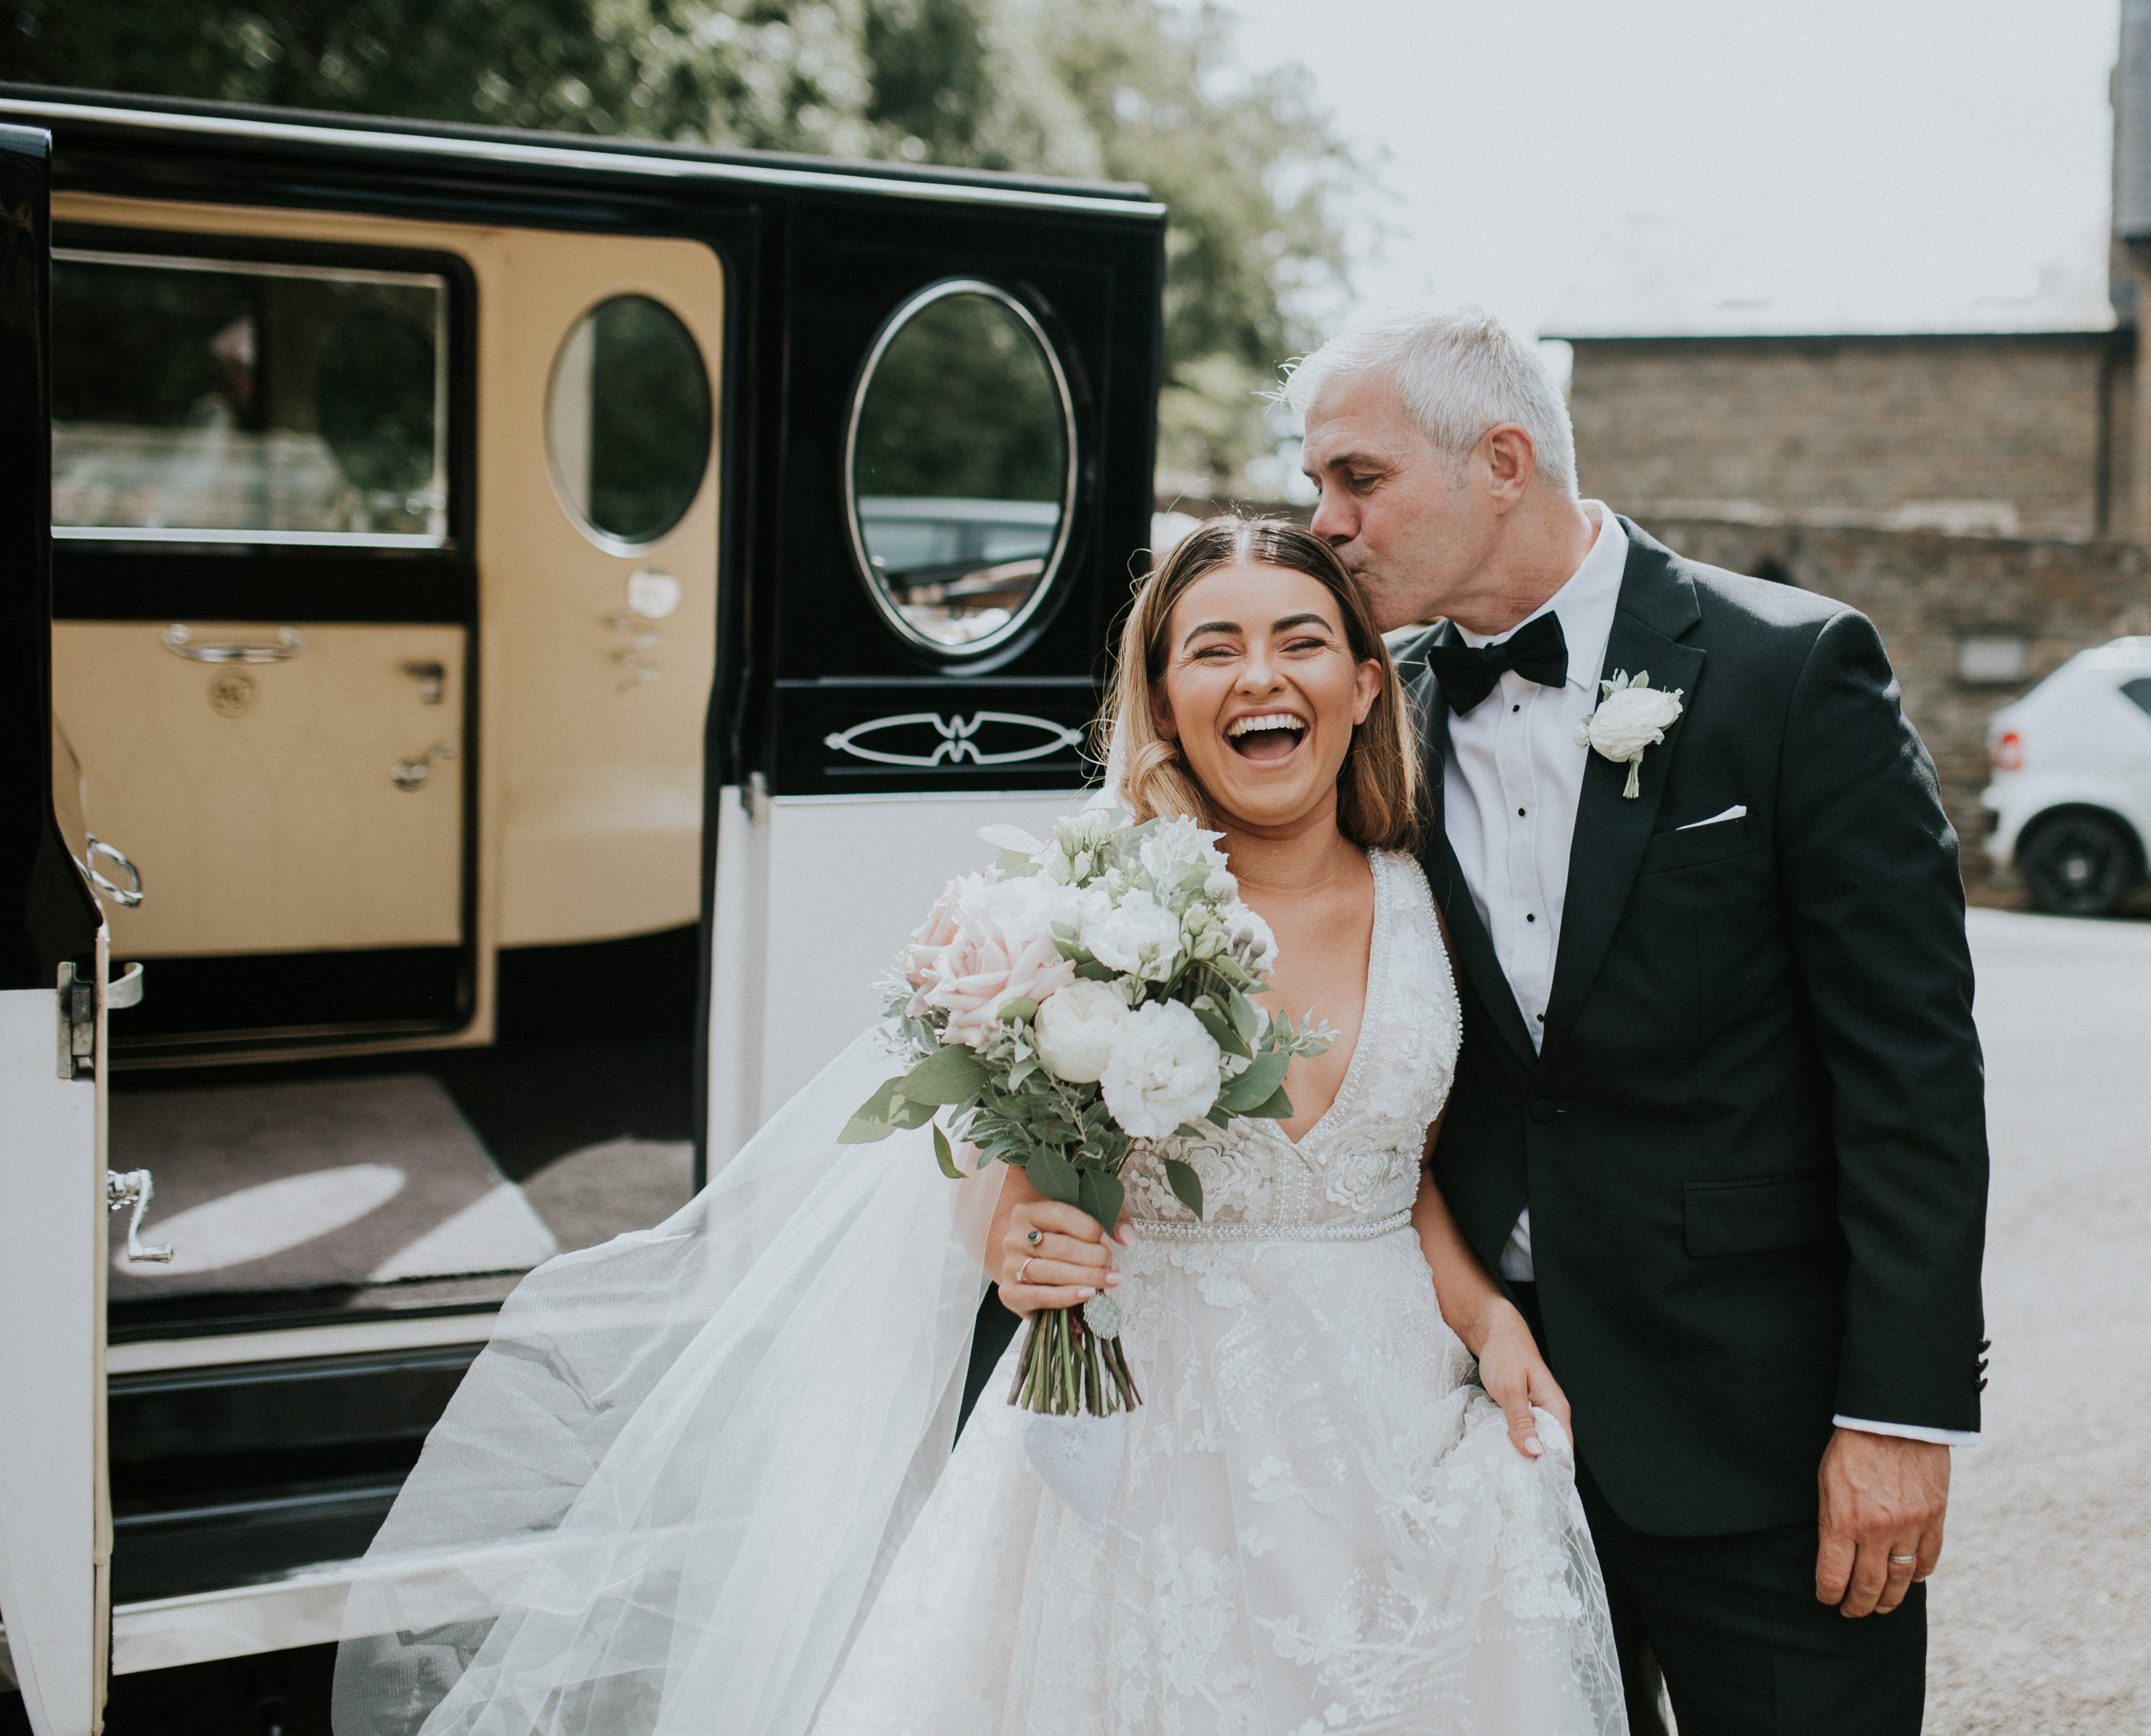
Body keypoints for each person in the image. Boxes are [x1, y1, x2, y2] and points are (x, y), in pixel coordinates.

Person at [332, 518, 1629, 1736]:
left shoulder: (1428, 903)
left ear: (1361, 685)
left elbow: (1391, 1179)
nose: (1258, 677)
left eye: (1298, 641)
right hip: (1145, 1437)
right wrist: (1020, 1243)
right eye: (1213, 648)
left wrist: (1486, 1316)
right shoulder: (1089, 901)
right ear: (1165, 696)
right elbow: (995, 1171)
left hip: (1387, 1436)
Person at [1282, 309, 1992, 1736]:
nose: (1326, 524)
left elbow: (1912, 1074)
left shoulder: (1795, 673)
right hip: (1478, 1426)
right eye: (1318, 487)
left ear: (1501, 458)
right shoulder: (1379, 716)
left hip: (1762, 1435)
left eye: (1357, 480)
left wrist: (1901, 1417)